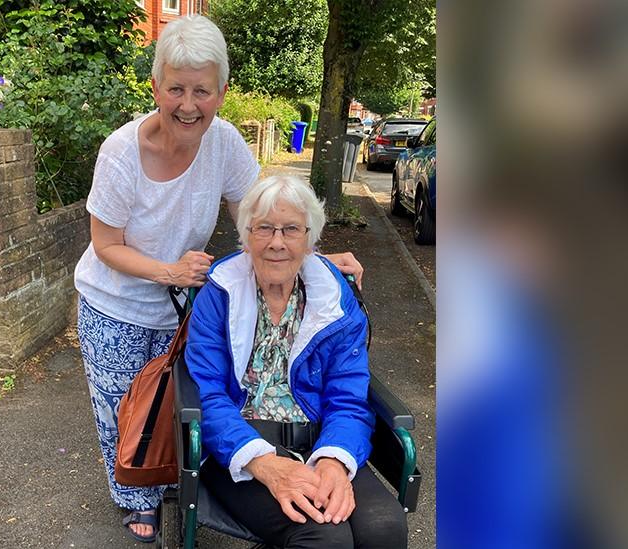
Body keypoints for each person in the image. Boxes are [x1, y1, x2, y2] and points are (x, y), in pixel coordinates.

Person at [73, 15, 363, 543]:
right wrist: (169, 271)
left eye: (202, 91)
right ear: (156, 86)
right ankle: (134, 496)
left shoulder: (225, 143)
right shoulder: (121, 153)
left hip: (188, 301)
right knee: (128, 408)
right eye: (176, 88)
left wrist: (309, 257)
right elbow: (105, 244)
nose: (188, 104)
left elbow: (257, 216)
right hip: (116, 301)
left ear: (221, 92)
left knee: (176, 400)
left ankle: (173, 480)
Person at [184, 175, 407, 548]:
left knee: (384, 528)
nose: (276, 242)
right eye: (264, 228)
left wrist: (335, 462)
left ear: (309, 240)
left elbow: (348, 397)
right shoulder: (219, 295)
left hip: (322, 438)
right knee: (323, 537)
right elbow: (208, 394)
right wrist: (265, 463)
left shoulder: (334, 301)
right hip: (241, 445)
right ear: (246, 235)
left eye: (290, 230)